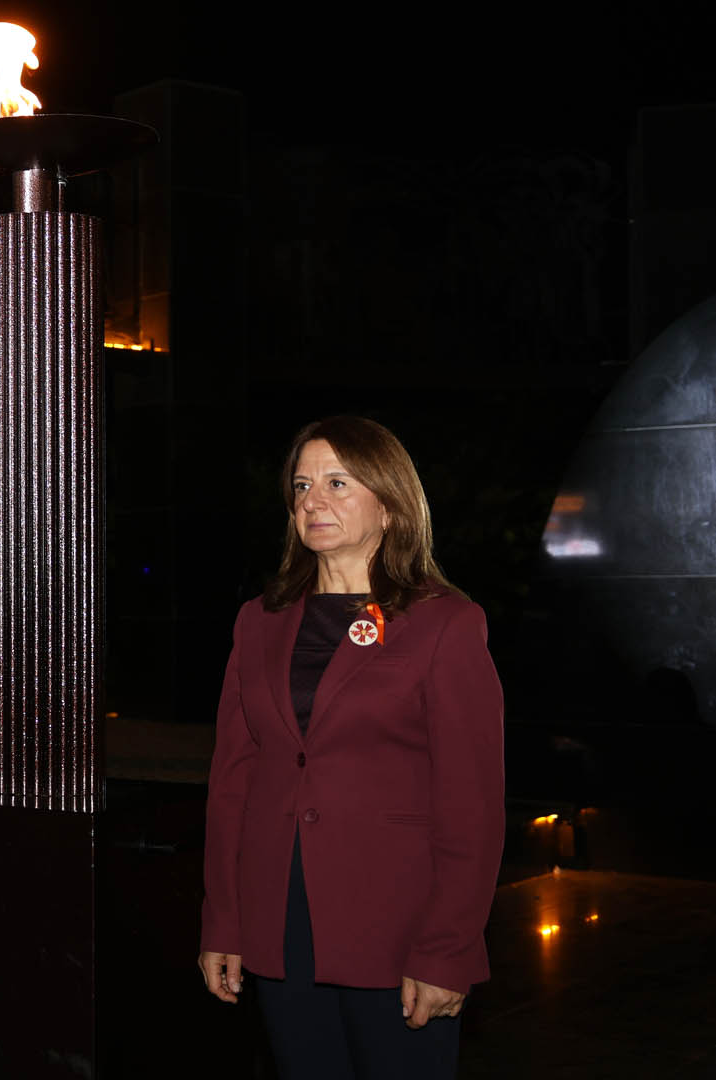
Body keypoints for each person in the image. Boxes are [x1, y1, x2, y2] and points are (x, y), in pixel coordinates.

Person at [197, 416, 503, 1080]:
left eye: (337, 482)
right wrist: (223, 920)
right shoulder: (259, 622)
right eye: (301, 485)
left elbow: (471, 807)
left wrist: (446, 949)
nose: (313, 500)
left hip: (396, 927)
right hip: (278, 921)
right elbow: (232, 782)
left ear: (389, 505)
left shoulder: (444, 623)